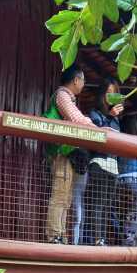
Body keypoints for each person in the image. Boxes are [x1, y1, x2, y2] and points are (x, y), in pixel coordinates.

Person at [44, 65, 94, 244]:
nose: (83, 84)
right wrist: (96, 128)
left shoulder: (67, 97)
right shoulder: (62, 95)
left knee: (65, 197)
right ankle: (54, 235)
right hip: (62, 153)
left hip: (65, 154)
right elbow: (77, 119)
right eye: (83, 81)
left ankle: (60, 234)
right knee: (60, 195)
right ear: (76, 80)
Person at [85, 81, 124, 245]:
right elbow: (98, 135)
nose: (110, 96)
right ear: (102, 94)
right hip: (99, 163)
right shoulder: (94, 114)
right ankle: (96, 240)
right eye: (108, 92)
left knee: (107, 206)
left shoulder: (116, 120)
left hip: (113, 166)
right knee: (97, 204)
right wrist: (109, 116)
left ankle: (101, 239)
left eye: (114, 92)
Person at [116, 116, 137, 246]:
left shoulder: (118, 139)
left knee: (121, 214)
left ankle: (120, 242)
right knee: (134, 215)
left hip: (120, 180)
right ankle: (128, 245)